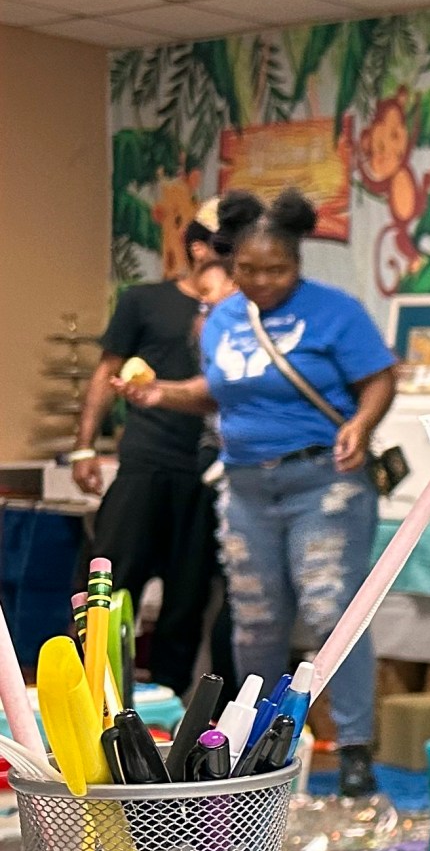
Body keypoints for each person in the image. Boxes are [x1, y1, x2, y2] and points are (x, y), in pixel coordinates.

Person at [118, 190, 397, 799]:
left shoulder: (336, 312)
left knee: (329, 614)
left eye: (278, 269)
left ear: (298, 261)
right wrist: (160, 393)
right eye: (249, 269)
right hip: (244, 486)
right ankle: (260, 750)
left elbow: (378, 377)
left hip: (323, 481)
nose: (264, 281)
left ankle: (353, 749)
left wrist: (362, 423)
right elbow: (218, 392)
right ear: (231, 262)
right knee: (255, 624)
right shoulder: (222, 319)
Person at [70, 198, 232, 687]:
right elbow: (106, 372)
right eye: (225, 245)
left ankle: (168, 722)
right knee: (109, 590)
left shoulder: (239, 314)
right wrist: (84, 446)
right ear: (200, 247)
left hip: (205, 472)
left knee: (186, 604)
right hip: (145, 463)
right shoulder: (144, 300)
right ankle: (88, 698)